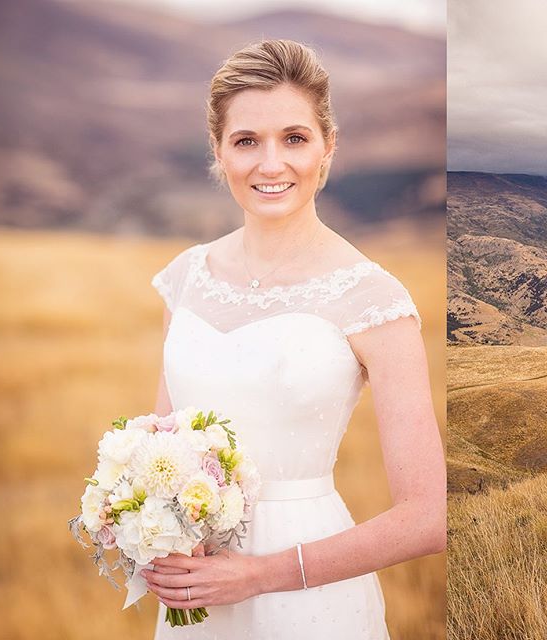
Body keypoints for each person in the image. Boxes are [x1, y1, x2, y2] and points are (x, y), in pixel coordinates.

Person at [144, 39, 446, 639]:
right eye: (247, 140)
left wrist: (260, 575)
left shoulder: (373, 298)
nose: (271, 163)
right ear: (219, 152)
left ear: (328, 146)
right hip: (196, 596)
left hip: (309, 597)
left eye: (295, 138)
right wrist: (140, 527)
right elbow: (161, 452)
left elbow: (427, 518)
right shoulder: (185, 279)